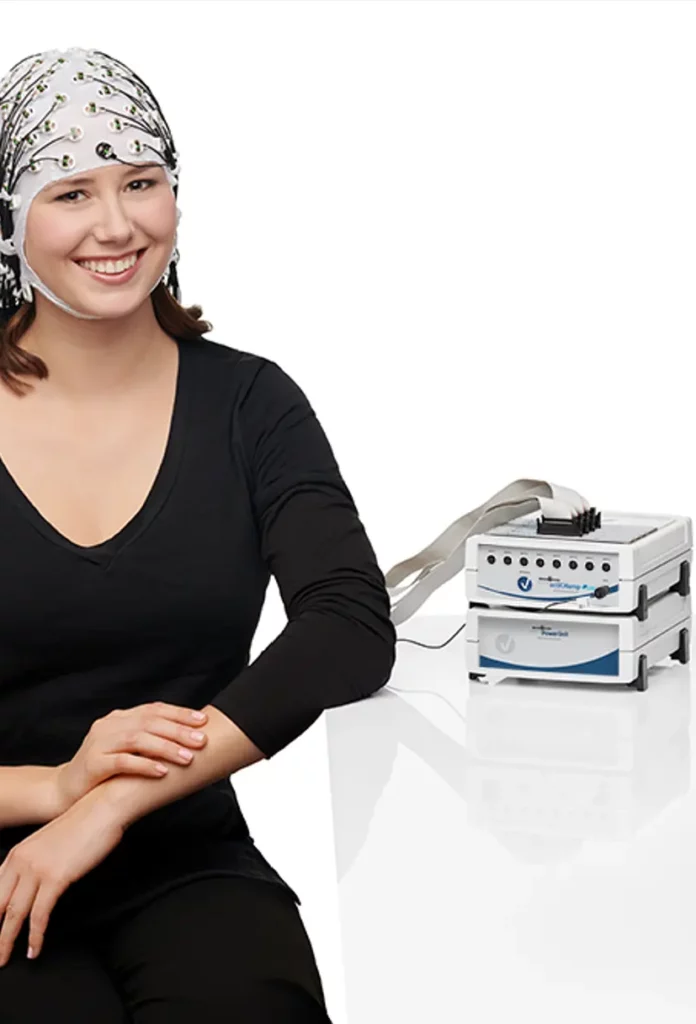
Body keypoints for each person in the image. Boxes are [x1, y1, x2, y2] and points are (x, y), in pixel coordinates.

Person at [0, 47, 396, 1022]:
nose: (117, 225)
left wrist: (110, 801)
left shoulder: (250, 403)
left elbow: (347, 625)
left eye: (142, 182)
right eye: (71, 191)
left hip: (188, 858)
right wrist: (54, 790)